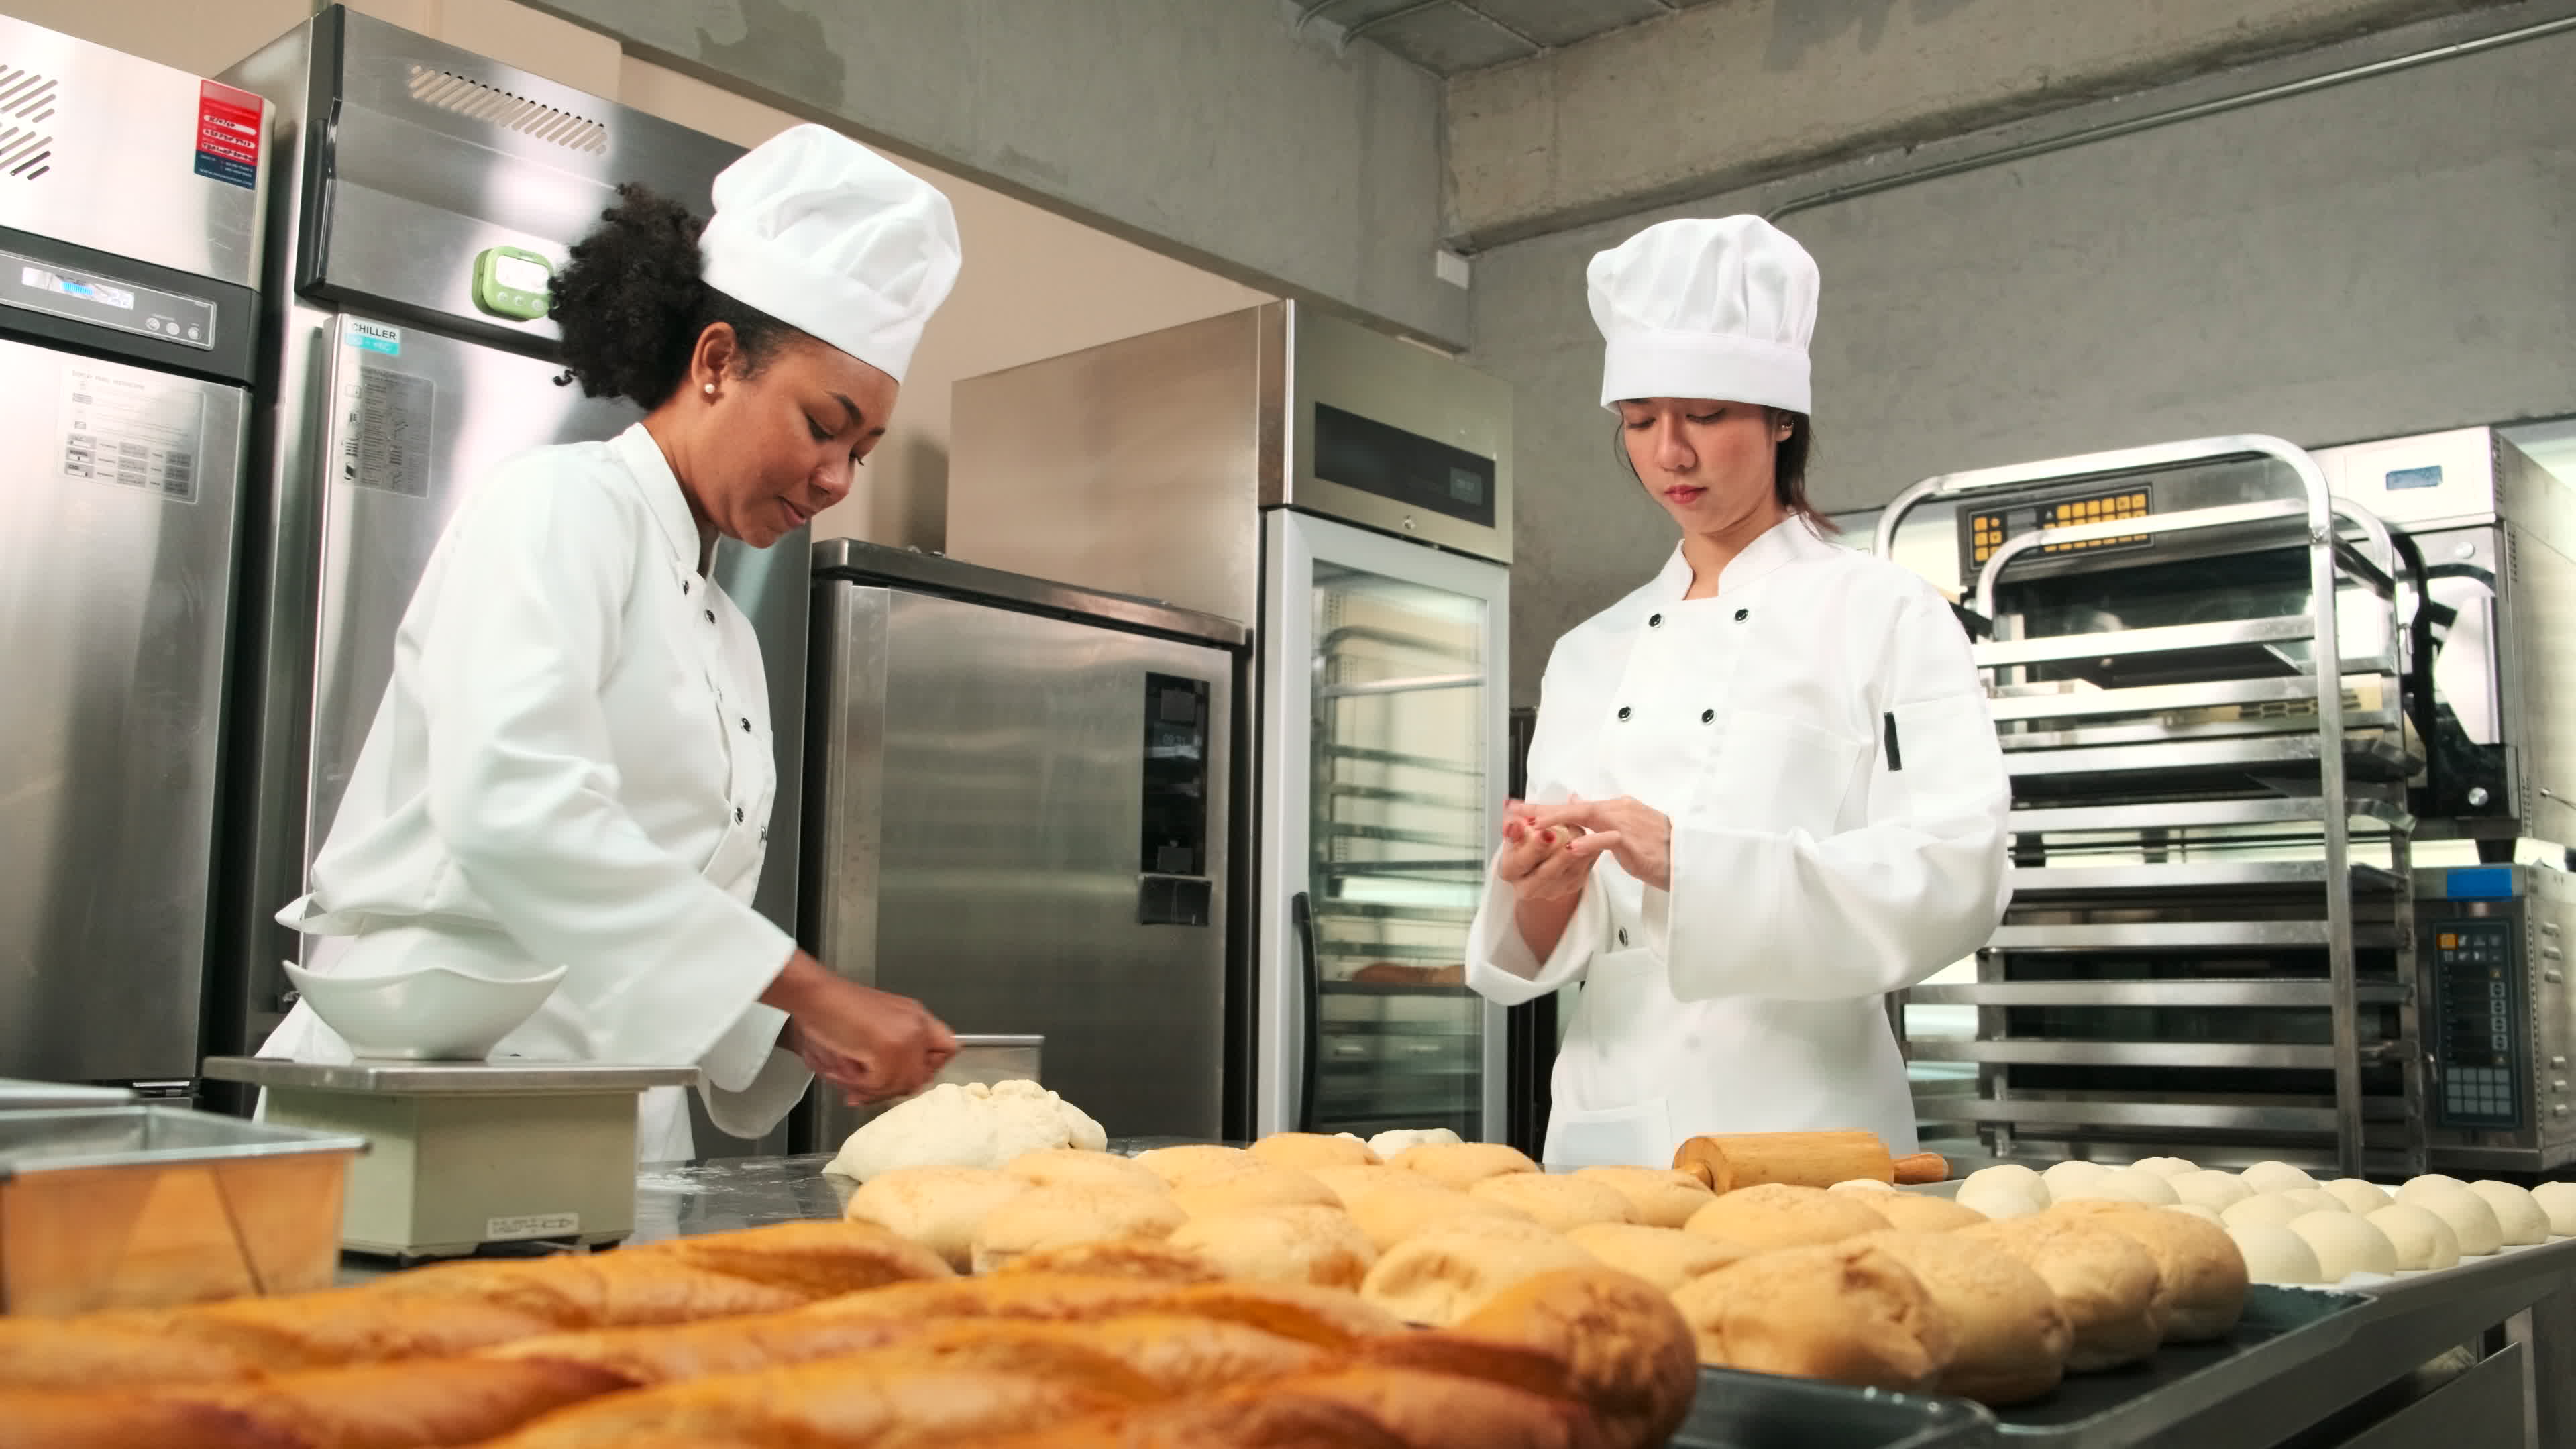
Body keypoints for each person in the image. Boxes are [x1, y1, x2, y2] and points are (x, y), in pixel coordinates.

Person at [260, 125, 960, 1159]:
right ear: (718, 360)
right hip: (433, 1098)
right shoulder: (558, 505)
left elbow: (649, 918)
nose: (836, 482)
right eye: (824, 425)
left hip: (610, 1118)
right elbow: (517, 807)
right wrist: (814, 987)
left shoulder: (728, 634)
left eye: (860, 451)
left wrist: (789, 1025)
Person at [1464, 215, 2011, 1168]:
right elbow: (1556, 943)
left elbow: (1958, 873)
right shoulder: (1590, 652)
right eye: (1640, 421)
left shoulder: (1885, 614)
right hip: (1606, 1126)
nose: (1669, 452)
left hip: (1802, 1123)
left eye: (1706, 415)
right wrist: (1535, 892)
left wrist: (1691, 859)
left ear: (1781, 417)